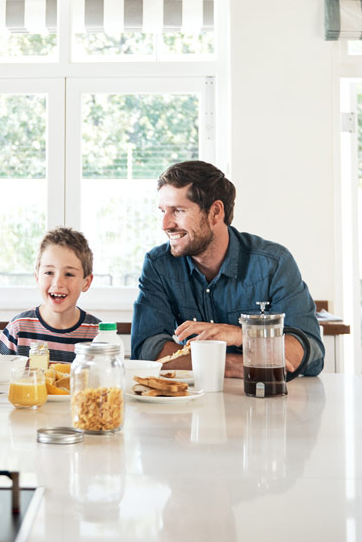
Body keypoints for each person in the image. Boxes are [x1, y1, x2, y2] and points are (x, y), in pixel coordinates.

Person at [130, 160, 324, 379]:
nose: (165, 224)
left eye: (178, 210)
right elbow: (148, 351)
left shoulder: (273, 263)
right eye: (163, 211)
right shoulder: (159, 265)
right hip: (193, 402)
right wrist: (233, 366)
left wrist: (242, 335)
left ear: (215, 212)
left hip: (266, 403)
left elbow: (307, 353)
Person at [0, 227, 101, 363]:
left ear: (86, 282)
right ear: (37, 278)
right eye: (49, 273)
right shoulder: (19, 328)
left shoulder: (98, 335)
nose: (57, 283)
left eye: (69, 274)